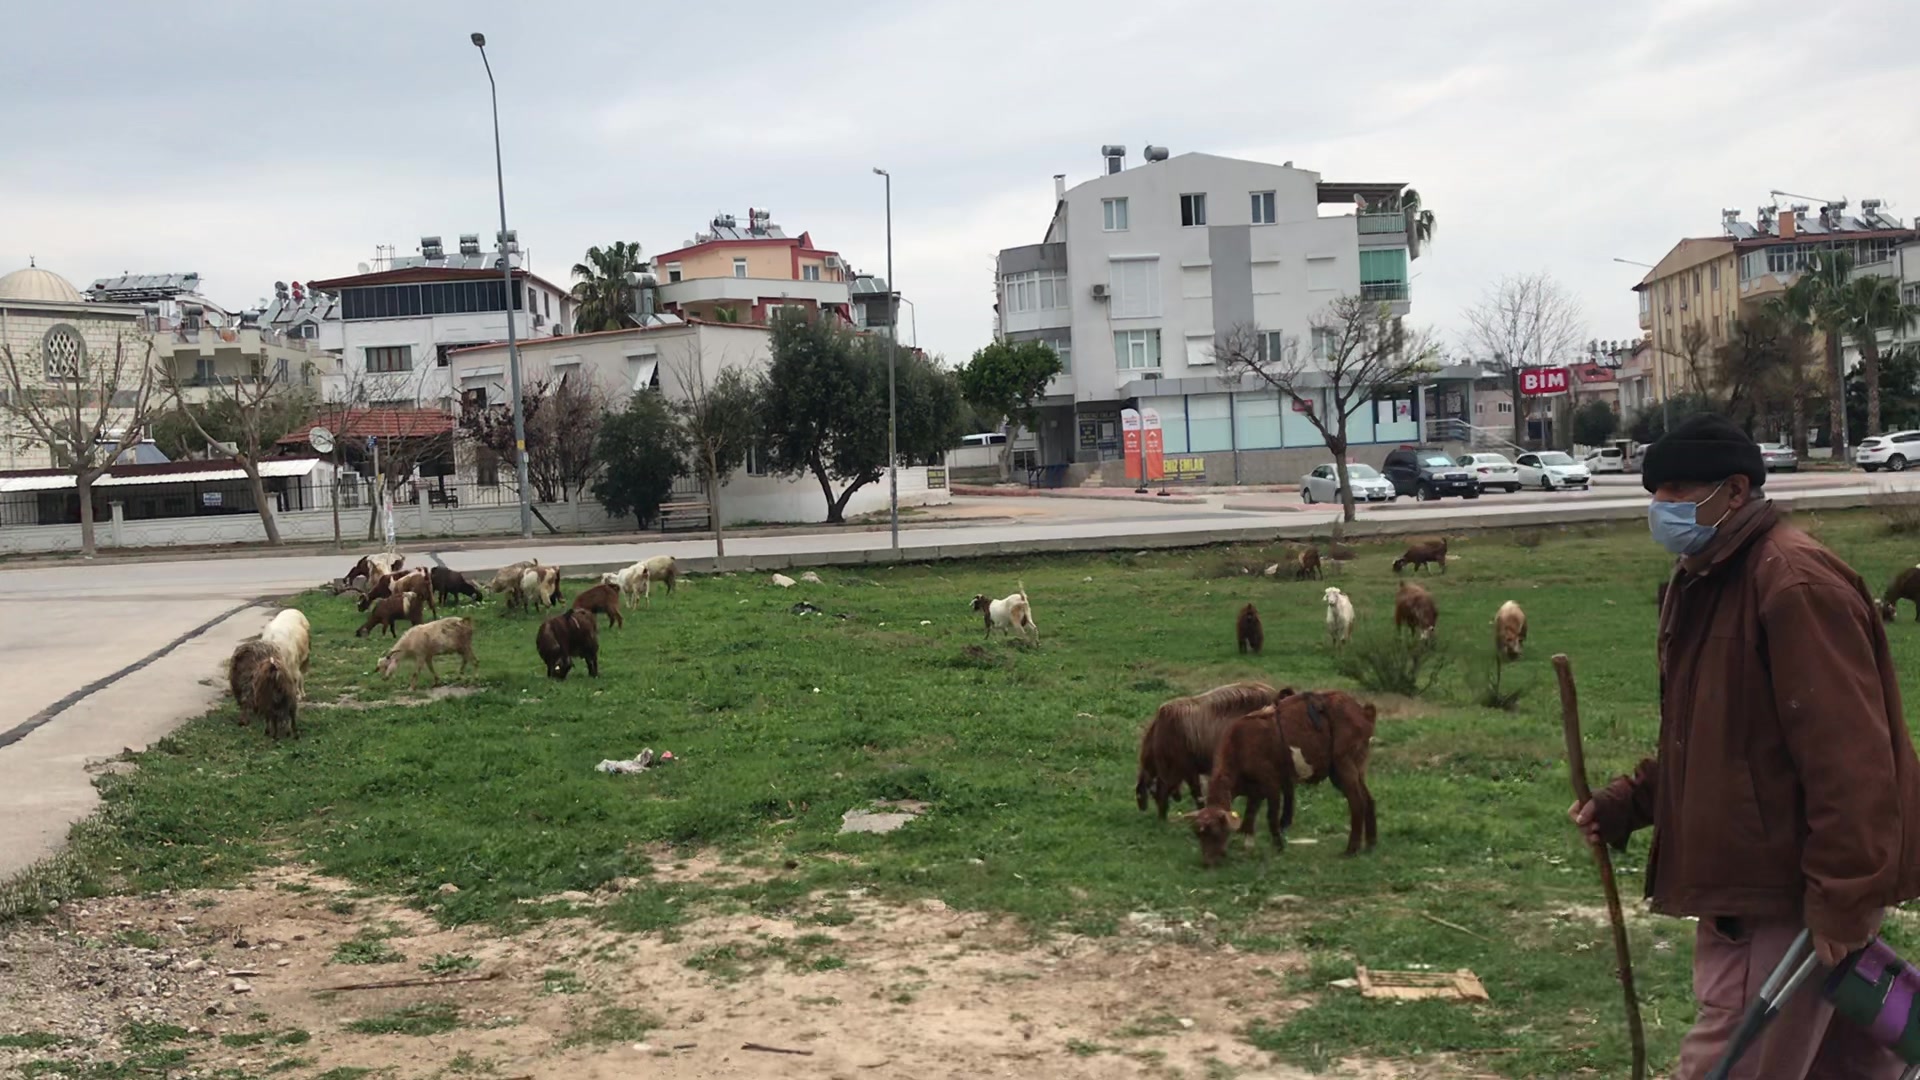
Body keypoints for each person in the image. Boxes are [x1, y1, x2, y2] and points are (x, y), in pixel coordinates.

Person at [1569, 412, 1920, 1079]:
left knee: (1730, 1065)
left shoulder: (1791, 584)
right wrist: (1631, 802)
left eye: (1678, 490)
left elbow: (1852, 761)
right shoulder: (1705, 579)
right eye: (1655, 490)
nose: (1660, 506)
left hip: (1785, 896)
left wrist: (1843, 897)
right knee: (1848, 1068)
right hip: (1756, 887)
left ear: (1734, 491)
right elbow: (1715, 738)